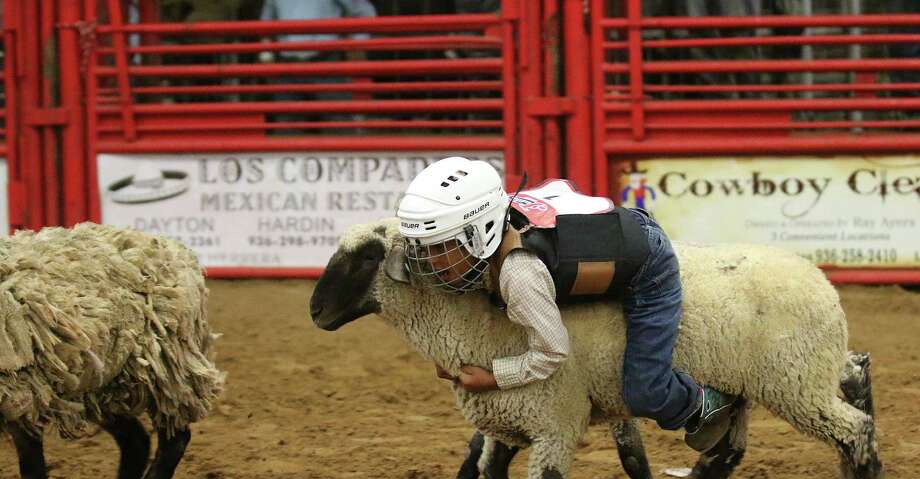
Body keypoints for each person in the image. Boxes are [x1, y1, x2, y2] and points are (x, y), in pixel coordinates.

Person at [396, 157, 737, 452]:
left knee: (644, 391)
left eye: (439, 248)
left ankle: (705, 404)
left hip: (649, 266)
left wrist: (493, 378)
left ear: (478, 233)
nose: (428, 261)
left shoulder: (520, 275)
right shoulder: (496, 235)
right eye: (424, 248)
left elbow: (552, 353)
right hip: (613, 235)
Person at [259, 0, 377, 131]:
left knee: (338, 125)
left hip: (326, 62)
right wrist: (266, 56)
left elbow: (364, 11)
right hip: (288, 65)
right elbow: (265, 25)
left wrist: (357, 45)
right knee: (287, 128)